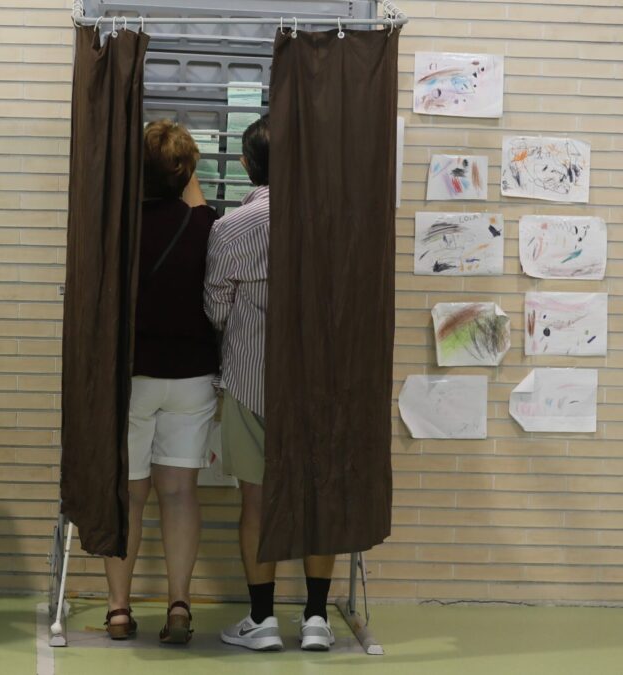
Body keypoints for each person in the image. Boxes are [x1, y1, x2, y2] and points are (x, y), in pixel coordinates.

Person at [205, 115, 337, 652]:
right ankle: (316, 619)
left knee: (257, 502)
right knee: (316, 500)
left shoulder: (230, 228)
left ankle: (261, 621)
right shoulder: (328, 221)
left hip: (249, 377)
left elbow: (215, 310)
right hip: (319, 383)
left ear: (244, 166)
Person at [102, 121, 219, 644]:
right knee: (180, 493)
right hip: (192, 375)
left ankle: (120, 610)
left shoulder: (115, 228)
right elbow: (191, 202)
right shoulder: (205, 225)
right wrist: (181, 170)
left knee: (129, 495)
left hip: (133, 378)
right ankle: (178, 604)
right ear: (188, 172)